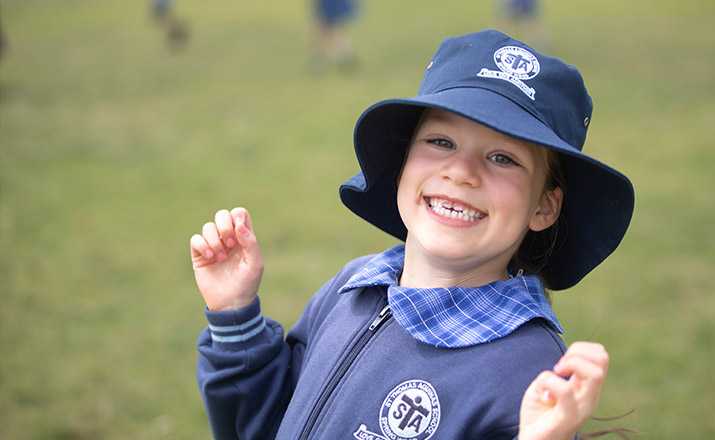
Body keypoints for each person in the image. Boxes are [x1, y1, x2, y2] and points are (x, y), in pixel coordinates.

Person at [190, 29, 634, 439]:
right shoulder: (352, 288)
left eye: (502, 158)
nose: (460, 172)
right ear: (403, 163)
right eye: (441, 142)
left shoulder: (528, 375)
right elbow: (267, 423)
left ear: (544, 206)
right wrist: (236, 318)